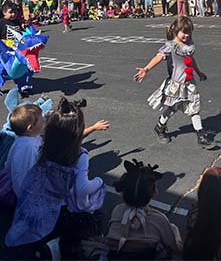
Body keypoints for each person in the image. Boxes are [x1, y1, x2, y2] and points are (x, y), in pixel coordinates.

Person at [5, 97, 106, 257]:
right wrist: (99, 182)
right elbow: (81, 189)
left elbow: (8, 167)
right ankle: (54, 248)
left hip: (32, 200)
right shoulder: (78, 155)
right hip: (59, 208)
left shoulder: (42, 147)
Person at [134, 17, 211, 146]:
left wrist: (198, 72)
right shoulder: (171, 46)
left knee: (194, 108)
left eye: (189, 33)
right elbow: (158, 57)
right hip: (176, 84)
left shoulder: (188, 44)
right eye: (184, 32)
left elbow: (190, 59)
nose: (187, 35)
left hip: (189, 83)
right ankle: (160, 126)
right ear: (176, 30)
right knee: (172, 108)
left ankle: (200, 134)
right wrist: (146, 69)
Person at [89, 158, 182, 260]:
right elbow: (175, 247)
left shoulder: (118, 210)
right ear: (154, 193)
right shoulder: (159, 219)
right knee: (172, 231)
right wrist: (175, 233)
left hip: (116, 257)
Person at [1, 104, 45, 202]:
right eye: (41, 120)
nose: (44, 121)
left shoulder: (21, 139)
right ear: (30, 128)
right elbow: (23, 177)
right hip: (27, 194)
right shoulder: (29, 148)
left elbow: (7, 164)